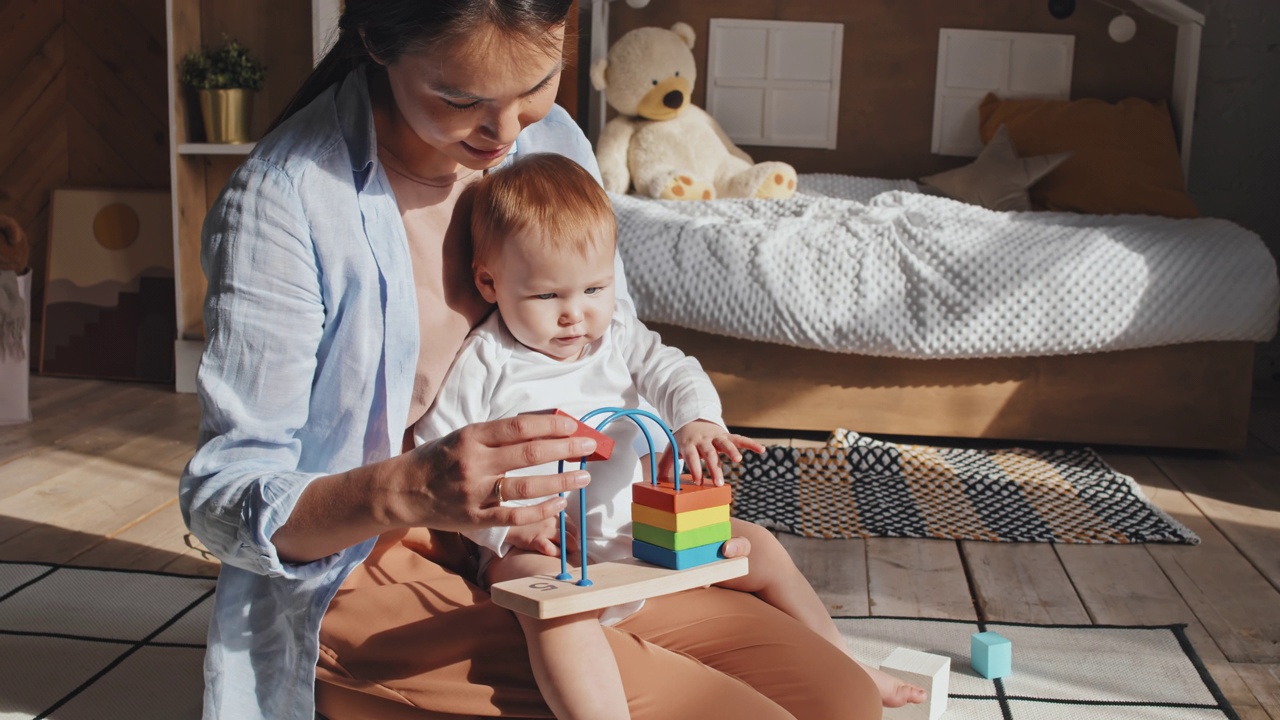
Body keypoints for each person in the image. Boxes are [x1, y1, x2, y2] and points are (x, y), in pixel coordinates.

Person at [179, 2, 889, 719]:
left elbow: (619, 337)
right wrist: (409, 493)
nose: (506, 131)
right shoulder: (288, 200)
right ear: (374, 40)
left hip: (578, 545)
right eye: (460, 100)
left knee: (845, 701)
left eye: (537, 84)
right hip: (373, 565)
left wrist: (670, 435)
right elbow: (219, 498)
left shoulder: (550, 138)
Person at [414, 153, 928, 720]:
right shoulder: (485, 361)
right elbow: (441, 463)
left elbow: (674, 369)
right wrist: (505, 532)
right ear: (489, 281)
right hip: (542, 550)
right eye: (547, 296)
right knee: (553, 609)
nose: (575, 315)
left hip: (639, 538)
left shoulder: (616, 337)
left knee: (761, 547)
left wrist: (697, 420)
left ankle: (849, 662)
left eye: (594, 288)